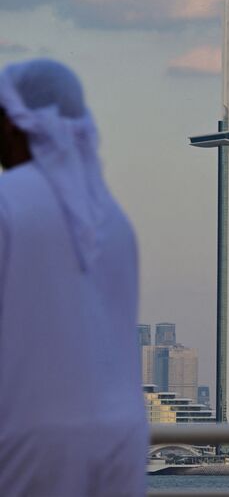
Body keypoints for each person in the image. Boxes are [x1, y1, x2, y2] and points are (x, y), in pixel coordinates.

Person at [0, 59, 147, 497]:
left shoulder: (9, 202)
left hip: (30, 436)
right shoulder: (113, 217)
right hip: (123, 439)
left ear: (14, 123)